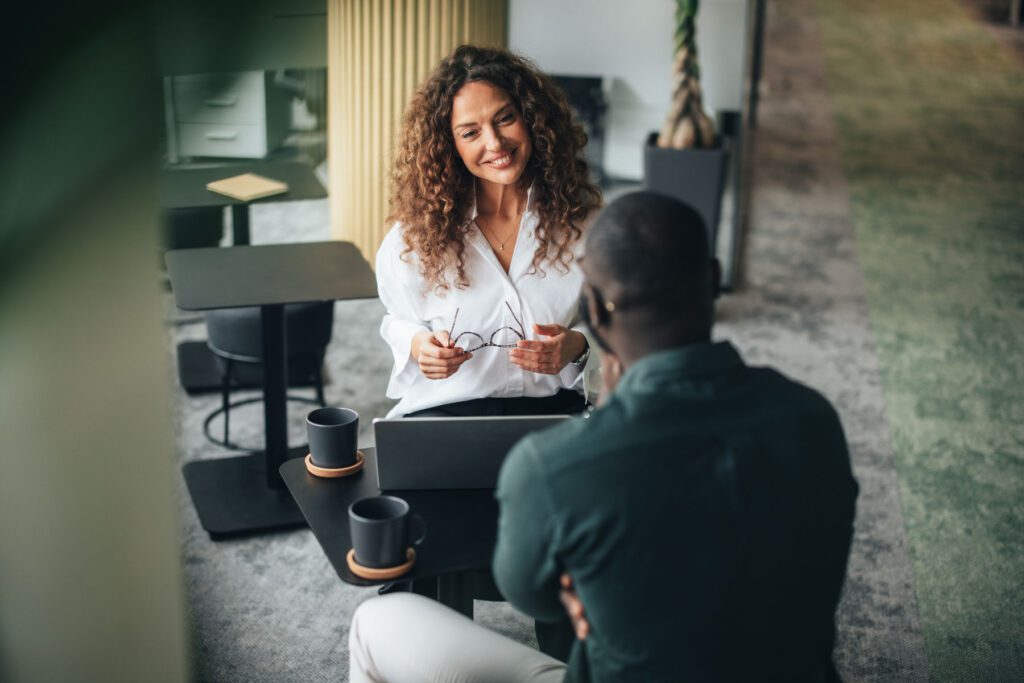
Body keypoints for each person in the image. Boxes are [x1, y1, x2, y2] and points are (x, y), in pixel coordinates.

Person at [348, 192, 859, 682]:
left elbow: (532, 597)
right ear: (714, 280)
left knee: (375, 626)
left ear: (591, 310)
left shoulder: (556, 468)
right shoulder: (814, 419)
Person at [375, 44, 602, 420]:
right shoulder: (415, 235)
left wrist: (577, 346)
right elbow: (396, 320)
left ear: (531, 119)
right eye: (470, 133)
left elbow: (619, 322)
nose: (494, 143)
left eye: (505, 118)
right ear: (449, 146)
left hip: (556, 413)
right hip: (448, 412)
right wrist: (418, 346)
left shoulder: (585, 222)